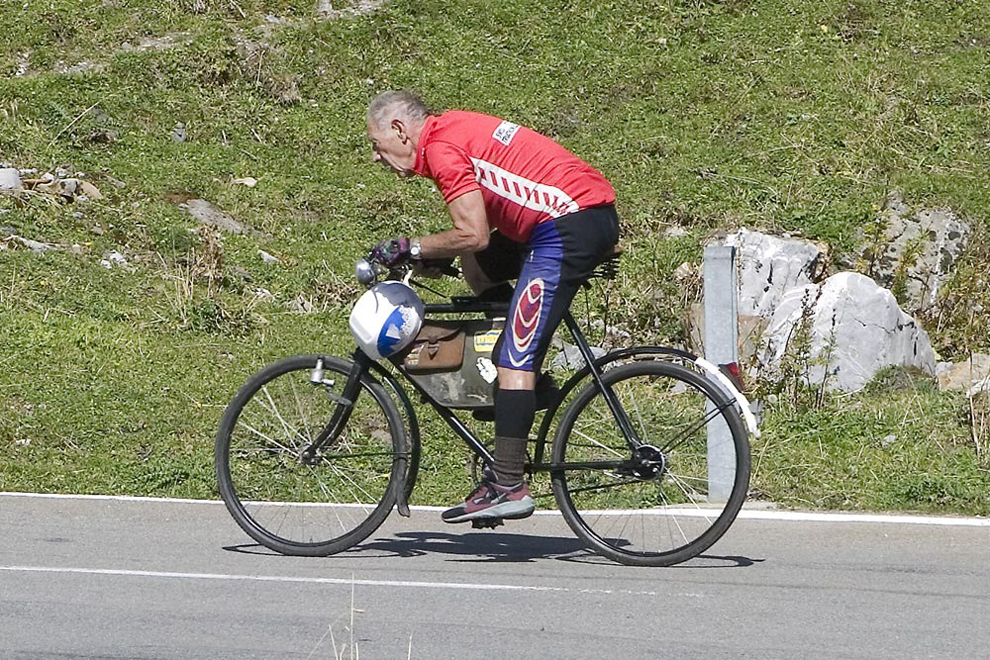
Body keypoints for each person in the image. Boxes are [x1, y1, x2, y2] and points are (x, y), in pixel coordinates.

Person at [365, 90, 620, 524]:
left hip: (565, 226)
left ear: (399, 130)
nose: (376, 157)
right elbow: (479, 241)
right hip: (576, 216)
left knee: (514, 357)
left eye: (376, 144)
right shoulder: (452, 128)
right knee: (476, 266)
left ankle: (507, 483)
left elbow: (474, 231)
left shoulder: (442, 150)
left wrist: (409, 247)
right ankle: (516, 387)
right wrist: (432, 254)